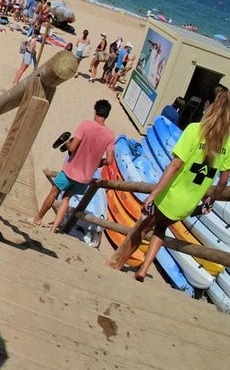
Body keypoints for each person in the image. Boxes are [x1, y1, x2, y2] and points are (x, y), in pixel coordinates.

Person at [108, 90, 230, 281]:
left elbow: (175, 165)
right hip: (188, 204)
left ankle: (117, 264)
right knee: (160, 229)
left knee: (142, 228)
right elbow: (223, 180)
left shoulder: (195, 130)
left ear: (210, 107)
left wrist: (153, 193)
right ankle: (143, 269)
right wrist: (211, 196)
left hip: (171, 195)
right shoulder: (227, 142)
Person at [32, 100, 115, 231]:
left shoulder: (85, 125)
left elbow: (73, 147)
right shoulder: (110, 135)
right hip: (85, 177)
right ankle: (54, 228)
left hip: (70, 170)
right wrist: (100, 162)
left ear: (95, 111)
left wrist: (67, 144)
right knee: (67, 198)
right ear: (107, 114)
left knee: (54, 192)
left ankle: (38, 218)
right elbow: (109, 161)